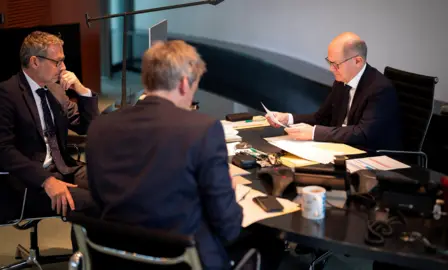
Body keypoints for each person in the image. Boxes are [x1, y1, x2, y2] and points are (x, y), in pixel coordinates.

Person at [86, 40, 243, 269]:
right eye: (194, 88)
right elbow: (228, 227)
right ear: (182, 84)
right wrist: (231, 192)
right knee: (270, 246)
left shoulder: (100, 127)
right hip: (181, 260)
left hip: (116, 257)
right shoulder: (203, 129)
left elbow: (100, 200)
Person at [0, 31, 99, 217]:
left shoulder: (56, 89)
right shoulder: (5, 94)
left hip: (65, 167)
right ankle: (84, 246)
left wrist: (82, 91)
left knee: (115, 188)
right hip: (30, 181)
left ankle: (84, 245)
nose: (63, 68)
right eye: (57, 62)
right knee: (93, 202)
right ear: (35, 62)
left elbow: (88, 127)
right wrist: (46, 180)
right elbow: (2, 149)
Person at [267, 32, 401, 151]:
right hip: (341, 148)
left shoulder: (380, 89)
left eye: (336, 64)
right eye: (329, 62)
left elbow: (363, 133)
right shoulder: (341, 81)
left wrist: (314, 133)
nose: (331, 69)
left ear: (358, 61)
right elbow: (321, 118)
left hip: (371, 156)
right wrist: (288, 118)